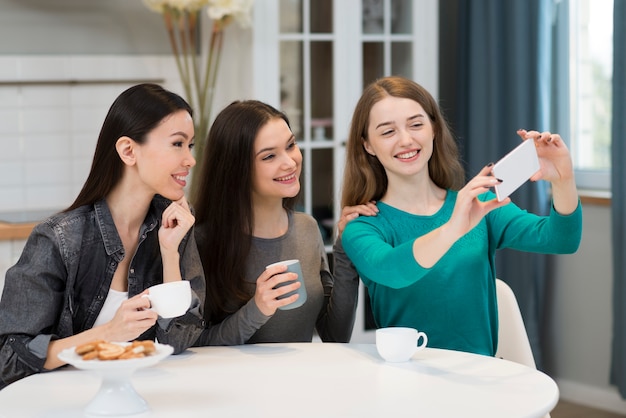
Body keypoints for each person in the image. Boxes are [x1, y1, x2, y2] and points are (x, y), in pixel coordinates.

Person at [338, 76, 582, 356]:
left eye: (416, 124)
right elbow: (394, 271)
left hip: (479, 379)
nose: (406, 140)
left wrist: (563, 178)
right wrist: (453, 226)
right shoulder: (362, 227)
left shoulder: (480, 204)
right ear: (368, 145)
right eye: (387, 131)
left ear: (433, 130)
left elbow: (561, 239)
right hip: (406, 384)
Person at [0, 83, 205, 389]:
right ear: (128, 150)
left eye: (190, 146)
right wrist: (108, 333)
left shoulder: (173, 227)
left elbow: (178, 340)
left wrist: (170, 253)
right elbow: (8, 360)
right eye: (177, 144)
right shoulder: (59, 239)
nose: (190, 160)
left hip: (146, 401)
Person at [192, 100, 358, 345]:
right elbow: (195, 345)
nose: (290, 162)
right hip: (235, 382)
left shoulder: (307, 228)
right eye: (269, 156)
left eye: (290, 145)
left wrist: (345, 251)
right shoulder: (202, 241)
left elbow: (336, 336)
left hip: (299, 380)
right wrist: (257, 309)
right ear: (237, 169)